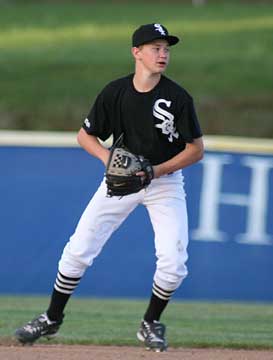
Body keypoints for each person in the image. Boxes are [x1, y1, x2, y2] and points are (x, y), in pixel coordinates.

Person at [15, 23, 204, 352]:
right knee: (78, 249)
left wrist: (155, 171)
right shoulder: (115, 93)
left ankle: (150, 323)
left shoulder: (177, 98)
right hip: (121, 181)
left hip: (164, 183)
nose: (163, 54)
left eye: (167, 48)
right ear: (136, 53)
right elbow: (84, 135)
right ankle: (51, 318)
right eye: (155, 47)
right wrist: (109, 159)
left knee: (174, 263)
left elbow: (196, 149)